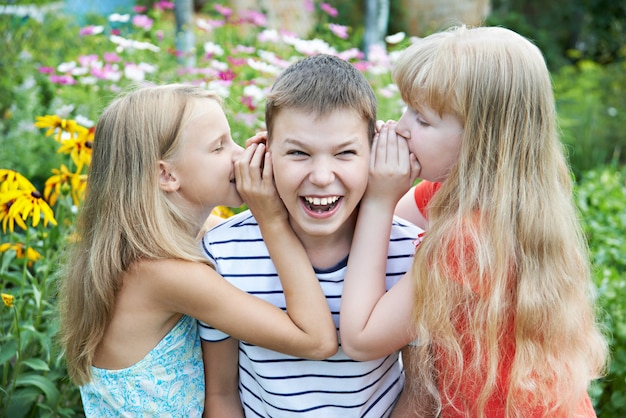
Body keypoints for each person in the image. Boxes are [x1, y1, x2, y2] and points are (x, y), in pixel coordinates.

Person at [340, 25, 608, 417]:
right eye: (405, 108)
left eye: (423, 119)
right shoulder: (470, 197)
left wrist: (381, 202)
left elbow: (362, 337)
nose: (400, 127)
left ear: (481, 140)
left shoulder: (471, 236)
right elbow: (353, 233)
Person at [57, 83, 338, 417]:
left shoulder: (173, 242)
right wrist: (272, 219)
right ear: (167, 174)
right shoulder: (162, 272)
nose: (239, 154)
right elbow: (317, 340)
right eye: (219, 147)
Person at [199, 54, 422, 417]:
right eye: (298, 153)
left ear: (375, 152)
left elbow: (421, 395)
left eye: (345, 153)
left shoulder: (411, 253)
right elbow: (222, 394)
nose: (321, 176)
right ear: (266, 151)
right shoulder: (222, 254)